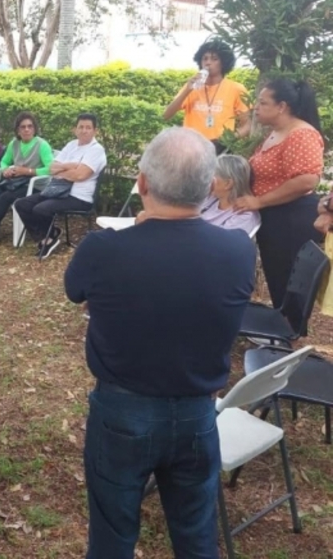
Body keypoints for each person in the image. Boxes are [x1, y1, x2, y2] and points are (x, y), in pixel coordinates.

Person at [65, 127, 255, 558]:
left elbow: (75, 290)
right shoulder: (238, 250)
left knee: (112, 537)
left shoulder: (103, 248)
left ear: (143, 183)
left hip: (122, 411)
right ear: (208, 187)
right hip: (198, 411)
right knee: (196, 537)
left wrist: (136, 227)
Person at [234, 78, 324, 308]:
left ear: (281, 106)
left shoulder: (301, 134)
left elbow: (306, 180)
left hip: (292, 220)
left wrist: (259, 201)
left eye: (263, 103)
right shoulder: (276, 132)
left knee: (289, 286)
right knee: (278, 282)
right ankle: (282, 334)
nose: (256, 108)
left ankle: (291, 337)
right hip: (275, 219)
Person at [14, 113, 107, 259]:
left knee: (40, 209)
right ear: (75, 129)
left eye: (88, 127)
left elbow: (80, 175)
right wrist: (72, 166)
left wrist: (62, 170)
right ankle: (49, 236)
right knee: (21, 204)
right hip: (58, 191)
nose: (84, 130)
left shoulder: (96, 150)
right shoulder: (71, 145)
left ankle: (49, 238)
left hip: (79, 197)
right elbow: (51, 168)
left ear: (95, 131)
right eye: (80, 127)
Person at [0, 112, 55, 247]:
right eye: (23, 127)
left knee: (5, 197)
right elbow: (4, 161)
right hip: (17, 182)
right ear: (18, 130)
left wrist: (29, 171)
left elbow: (51, 168)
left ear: (34, 128)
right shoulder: (14, 143)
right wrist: (5, 170)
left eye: (30, 126)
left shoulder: (42, 145)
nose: (26, 130)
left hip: (36, 185)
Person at [163, 38, 249, 152]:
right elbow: (166, 115)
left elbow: (248, 124)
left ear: (224, 63)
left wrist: (228, 139)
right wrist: (186, 91)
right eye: (205, 58)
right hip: (191, 150)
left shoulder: (236, 89)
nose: (208, 62)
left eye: (214, 59)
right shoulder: (191, 87)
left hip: (221, 150)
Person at [198, 154, 260, 235]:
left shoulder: (244, 215)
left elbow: (220, 243)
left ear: (228, 184)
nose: (207, 180)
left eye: (211, 177)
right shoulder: (212, 198)